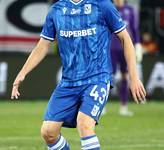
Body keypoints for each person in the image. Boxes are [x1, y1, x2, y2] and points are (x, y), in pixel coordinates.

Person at [11, 0, 146, 149]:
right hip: (69, 81)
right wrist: (22, 73)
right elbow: (43, 46)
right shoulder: (56, 10)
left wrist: (133, 77)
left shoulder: (102, 5)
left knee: (85, 124)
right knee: (48, 132)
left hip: (97, 77)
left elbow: (125, 38)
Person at [102, 0, 143, 116]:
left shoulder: (130, 10)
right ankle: (102, 106)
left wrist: (138, 45)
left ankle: (124, 106)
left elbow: (135, 28)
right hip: (111, 48)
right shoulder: (108, 8)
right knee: (108, 77)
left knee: (125, 76)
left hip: (126, 49)